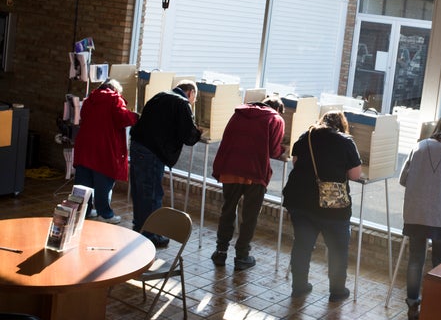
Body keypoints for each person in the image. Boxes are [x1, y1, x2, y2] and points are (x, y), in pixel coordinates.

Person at [282, 111, 362, 302]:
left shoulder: (306, 136)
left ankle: (299, 287)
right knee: (337, 249)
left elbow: (296, 163)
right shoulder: (346, 142)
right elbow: (355, 175)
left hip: (300, 201)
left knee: (302, 245)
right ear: (341, 125)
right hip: (333, 208)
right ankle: (337, 291)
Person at [399, 114, 441, 320]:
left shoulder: (418, 146)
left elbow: (403, 179)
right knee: (439, 263)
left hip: (415, 213)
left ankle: (412, 305)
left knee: (415, 261)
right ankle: (435, 306)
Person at [210, 96, 286, 271]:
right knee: (249, 215)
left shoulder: (238, 113)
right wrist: (283, 150)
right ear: (279, 109)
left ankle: (220, 252)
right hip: (254, 172)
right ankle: (242, 256)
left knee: (228, 209)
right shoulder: (275, 118)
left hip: (230, 167)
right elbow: (274, 151)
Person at [129, 79, 202, 247]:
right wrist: (197, 133)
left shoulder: (159, 95)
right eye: (194, 98)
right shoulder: (183, 103)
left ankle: (139, 228)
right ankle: (150, 235)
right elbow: (187, 136)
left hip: (137, 146)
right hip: (153, 152)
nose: (193, 102)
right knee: (153, 194)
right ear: (190, 92)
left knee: (140, 191)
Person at [73, 78, 138, 224]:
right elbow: (122, 117)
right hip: (105, 148)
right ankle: (105, 214)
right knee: (104, 181)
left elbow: (84, 116)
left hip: (85, 145)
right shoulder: (114, 99)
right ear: (116, 89)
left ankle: (84, 211)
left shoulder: (89, 100)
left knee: (84, 183)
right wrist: (135, 116)